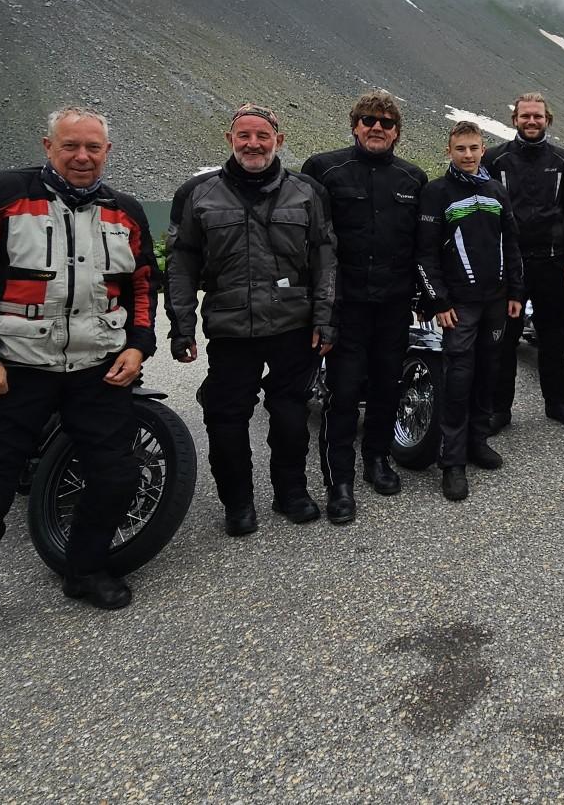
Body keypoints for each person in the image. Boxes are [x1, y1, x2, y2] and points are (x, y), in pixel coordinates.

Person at [0, 107, 157, 654]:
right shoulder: (1, 195)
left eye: (93, 148)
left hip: (98, 369)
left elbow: (144, 284)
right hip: (14, 371)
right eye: (70, 146)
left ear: (107, 151)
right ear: (48, 146)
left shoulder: (124, 211)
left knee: (117, 476)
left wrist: (138, 345)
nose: (82, 157)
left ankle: (84, 569)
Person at [168, 104, 338, 534]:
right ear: (230, 140)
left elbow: (325, 259)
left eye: (262, 135)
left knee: (290, 416)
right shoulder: (197, 194)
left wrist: (326, 317)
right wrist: (181, 324)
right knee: (225, 418)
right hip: (230, 329)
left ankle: (291, 492)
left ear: (278, 141)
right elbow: (181, 263)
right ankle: (237, 503)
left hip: (292, 326)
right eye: (244, 135)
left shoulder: (307, 192)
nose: (253, 144)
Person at [303, 91, 429, 503]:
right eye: (369, 120)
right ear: (355, 125)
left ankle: (377, 459)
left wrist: (427, 296)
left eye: (387, 123)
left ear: (397, 133)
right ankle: (339, 480)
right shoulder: (324, 169)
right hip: (346, 303)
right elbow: (309, 241)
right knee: (342, 390)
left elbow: (421, 245)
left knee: (386, 386)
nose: (378, 127)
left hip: (394, 304)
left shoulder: (413, 178)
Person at [415, 121, 523, 501]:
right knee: (458, 380)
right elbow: (425, 254)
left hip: (496, 301)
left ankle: (477, 442)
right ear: (449, 150)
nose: (468, 155)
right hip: (459, 305)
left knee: (487, 373)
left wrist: (515, 291)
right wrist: (439, 301)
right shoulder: (435, 192)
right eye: (460, 148)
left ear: (482, 150)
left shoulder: (495, 189)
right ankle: (453, 463)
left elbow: (510, 242)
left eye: (474, 148)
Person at [482, 92, 564, 430]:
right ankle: (500, 409)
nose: (531, 121)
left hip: (551, 262)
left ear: (547, 120)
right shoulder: (495, 160)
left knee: (553, 336)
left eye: (537, 116)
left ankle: (557, 403)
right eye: (525, 116)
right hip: (509, 265)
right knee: (505, 338)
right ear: (515, 120)